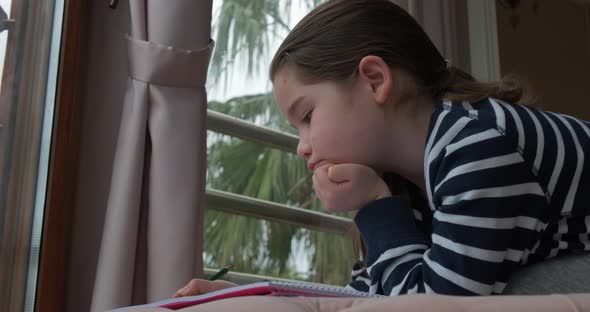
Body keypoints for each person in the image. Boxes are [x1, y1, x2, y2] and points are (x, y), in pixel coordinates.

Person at [176, 0, 590, 297]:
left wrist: (376, 207)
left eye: (307, 116)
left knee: (519, 292)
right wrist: (263, 296)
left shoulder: (477, 146)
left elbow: (432, 306)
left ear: (374, 79)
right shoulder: (412, 178)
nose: (302, 148)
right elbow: (372, 295)